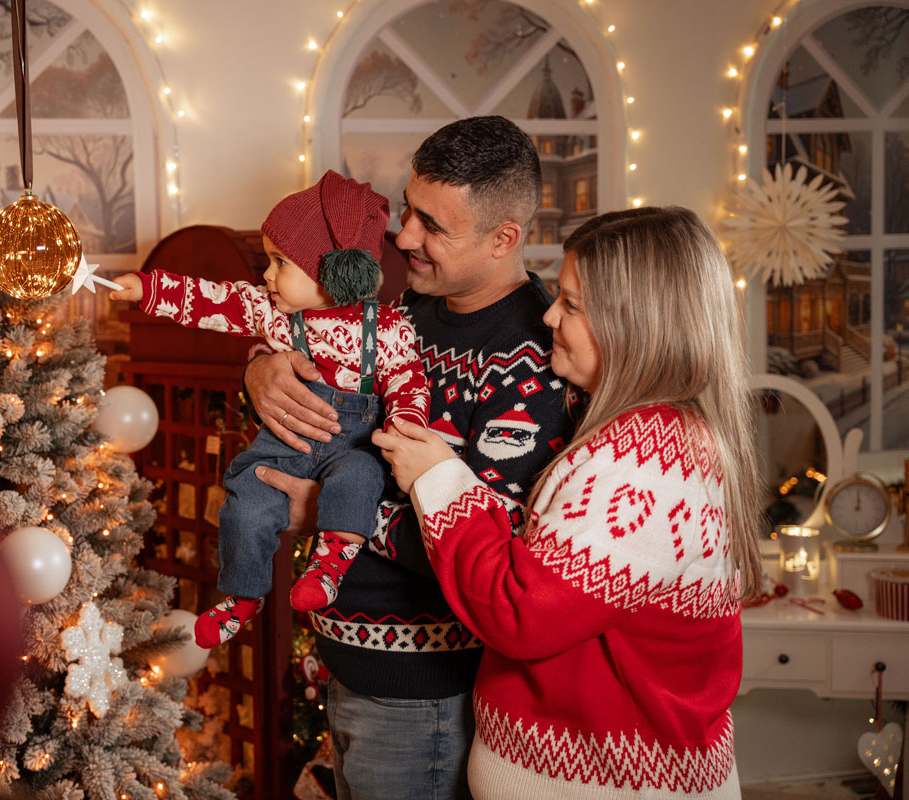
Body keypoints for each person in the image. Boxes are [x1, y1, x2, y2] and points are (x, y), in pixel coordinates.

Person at [374, 206, 763, 798]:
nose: (550, 314)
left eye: (573, 305)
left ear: (637, 326)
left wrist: (438, 480)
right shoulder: (648, 439)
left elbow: (522, 612)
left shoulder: (642, 464)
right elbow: (557, 569)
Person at [245, 116, 573, 799]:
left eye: (433, 225)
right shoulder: (406, 311)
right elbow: (312, 355)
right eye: (408, 210)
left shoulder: (532, 361)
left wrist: (332, 512)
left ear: (503, 238)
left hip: (421, 693)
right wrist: (262, 369)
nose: (404, 237)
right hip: (350, 662)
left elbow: (493, 546)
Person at [109, 170, 430, 648]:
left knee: (359, 479)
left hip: (352, 446)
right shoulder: (271, 312)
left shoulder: (387, 328)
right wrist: (147, 288)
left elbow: (408, 379)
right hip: (281, 447)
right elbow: (209, 301)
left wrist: (404, 425)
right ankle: (242, 597)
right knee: (246, 504)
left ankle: (328, 566)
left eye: (280, 262)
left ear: (333, 269)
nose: (266, 274)